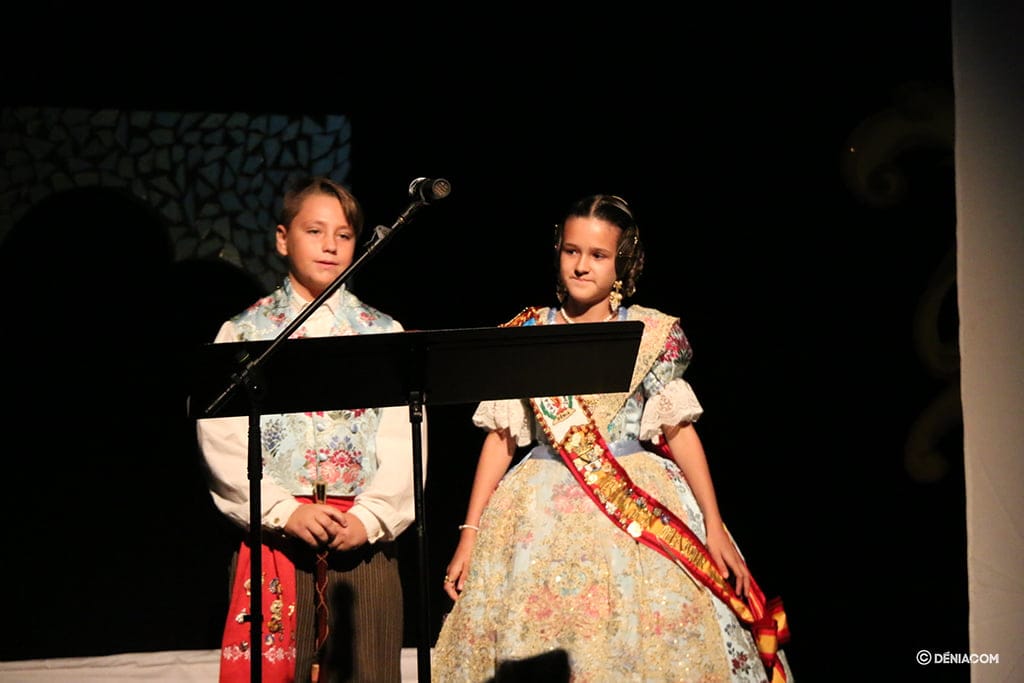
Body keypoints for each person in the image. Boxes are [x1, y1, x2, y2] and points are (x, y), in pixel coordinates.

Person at [432, 194, 793, 682]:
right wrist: (470, 533)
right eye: (572, 251)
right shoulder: (527, 332)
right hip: (533, 509)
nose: (582, 266)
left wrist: (713, 524)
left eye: (598, 255)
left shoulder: (649, 332)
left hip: (635, 502)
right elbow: (501, 439)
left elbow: (680, 432)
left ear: (622, 262)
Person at [196, 176, 425, 683]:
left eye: (343, 235)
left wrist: (371, 517)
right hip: (275, 540)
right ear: (283, 238)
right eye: (314, 231)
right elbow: (222, 442)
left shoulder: (382, 333)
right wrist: (284, 511)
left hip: (361, 540)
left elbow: (405, 440)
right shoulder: (243, 333)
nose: (329, 246)